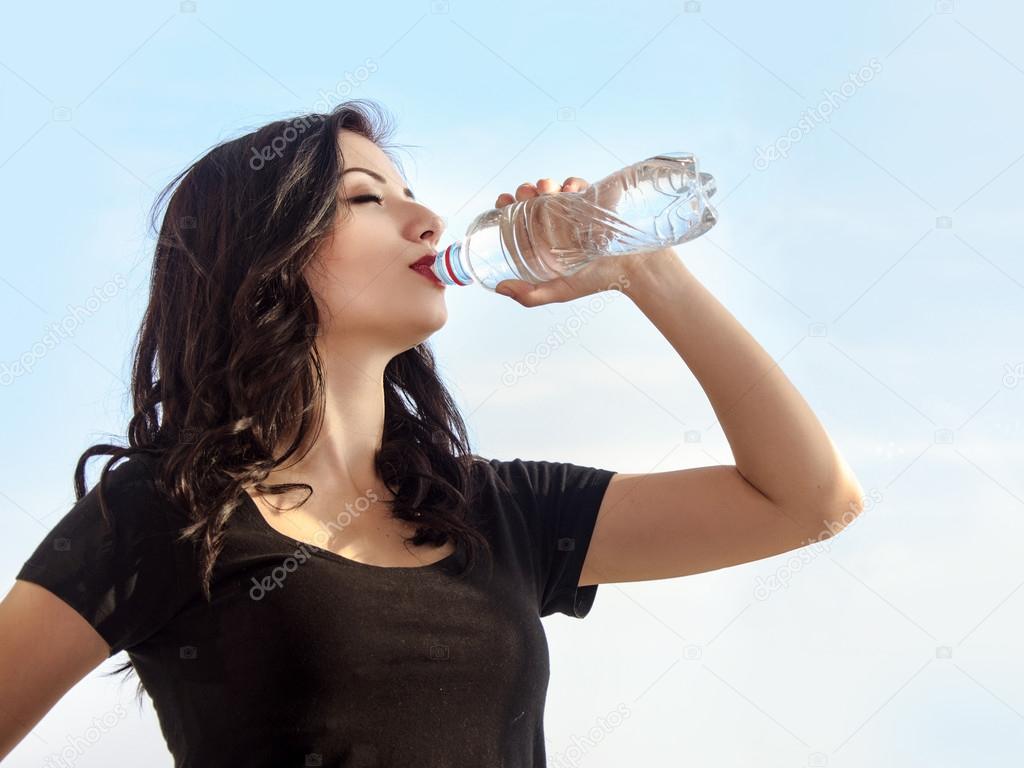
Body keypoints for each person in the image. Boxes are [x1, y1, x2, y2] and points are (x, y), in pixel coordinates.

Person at [0, 99, 865, 766]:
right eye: (366, 199)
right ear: (264, 256)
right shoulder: (164, 515)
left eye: (413, 195)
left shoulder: (497, 510)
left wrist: (645, 271)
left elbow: (807, 503)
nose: (428, 222)